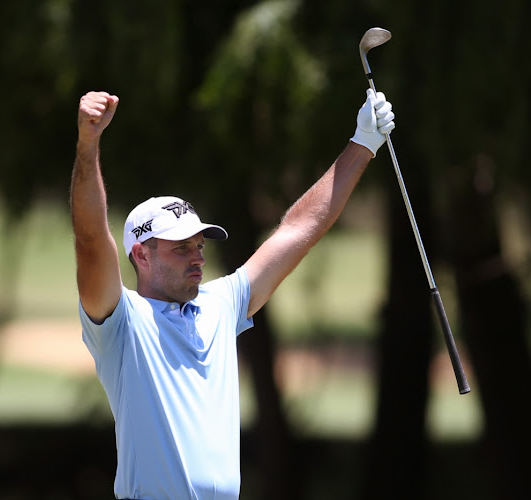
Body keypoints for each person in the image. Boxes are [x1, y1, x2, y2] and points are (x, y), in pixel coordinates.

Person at [70, 88, 395, 500]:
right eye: (181, 247)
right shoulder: (120, 322)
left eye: (200, 246)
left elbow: (297, 230)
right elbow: (91, 239)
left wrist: (363, 144)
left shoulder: (220, 304)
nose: (197, 258)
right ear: (141, 254)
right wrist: (88, 146)